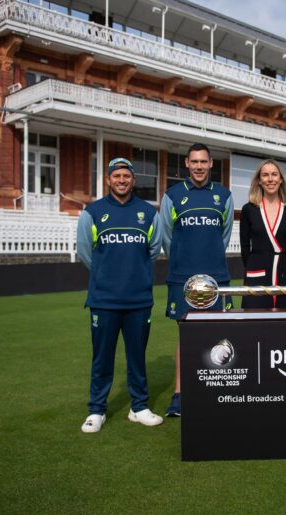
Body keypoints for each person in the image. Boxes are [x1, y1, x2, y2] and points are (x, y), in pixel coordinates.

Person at [76, 157, 164, 433]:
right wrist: (106, 275)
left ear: (133, 180)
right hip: (104, 301)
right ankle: (96, 410)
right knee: (102, 358)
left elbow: (154, 249)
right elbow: (85, 253)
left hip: (138, 300)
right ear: (108, 179)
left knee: (137, 356)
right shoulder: (92, 212)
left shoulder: (148, 213)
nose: (122, 180)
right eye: (117, 176)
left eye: (127, 176)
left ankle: (139, 407)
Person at [158, 143, 233, 417]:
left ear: (211, 163)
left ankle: (213, 392)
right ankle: (179, 394)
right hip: (183, 278)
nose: (199, 166)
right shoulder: (173, 196)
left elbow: (222, 237)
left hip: (217, 277)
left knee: (217, 337)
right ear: (186, 164)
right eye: (194, 162)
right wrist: (184, 261)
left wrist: (207, 260)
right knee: (186, 335)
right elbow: (167, 237)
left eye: (203, 161)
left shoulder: (223, 196)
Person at [240, 159, 286, 309]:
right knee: (255, 324)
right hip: (256, 274)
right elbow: (245, 247)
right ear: (259, 181)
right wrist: (254, 266)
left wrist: (284, 266)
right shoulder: (249, 209)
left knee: (284, 325)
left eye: (274, 174)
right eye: (265, 175)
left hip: (283, 274)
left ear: (281, 179)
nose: (270, 179)